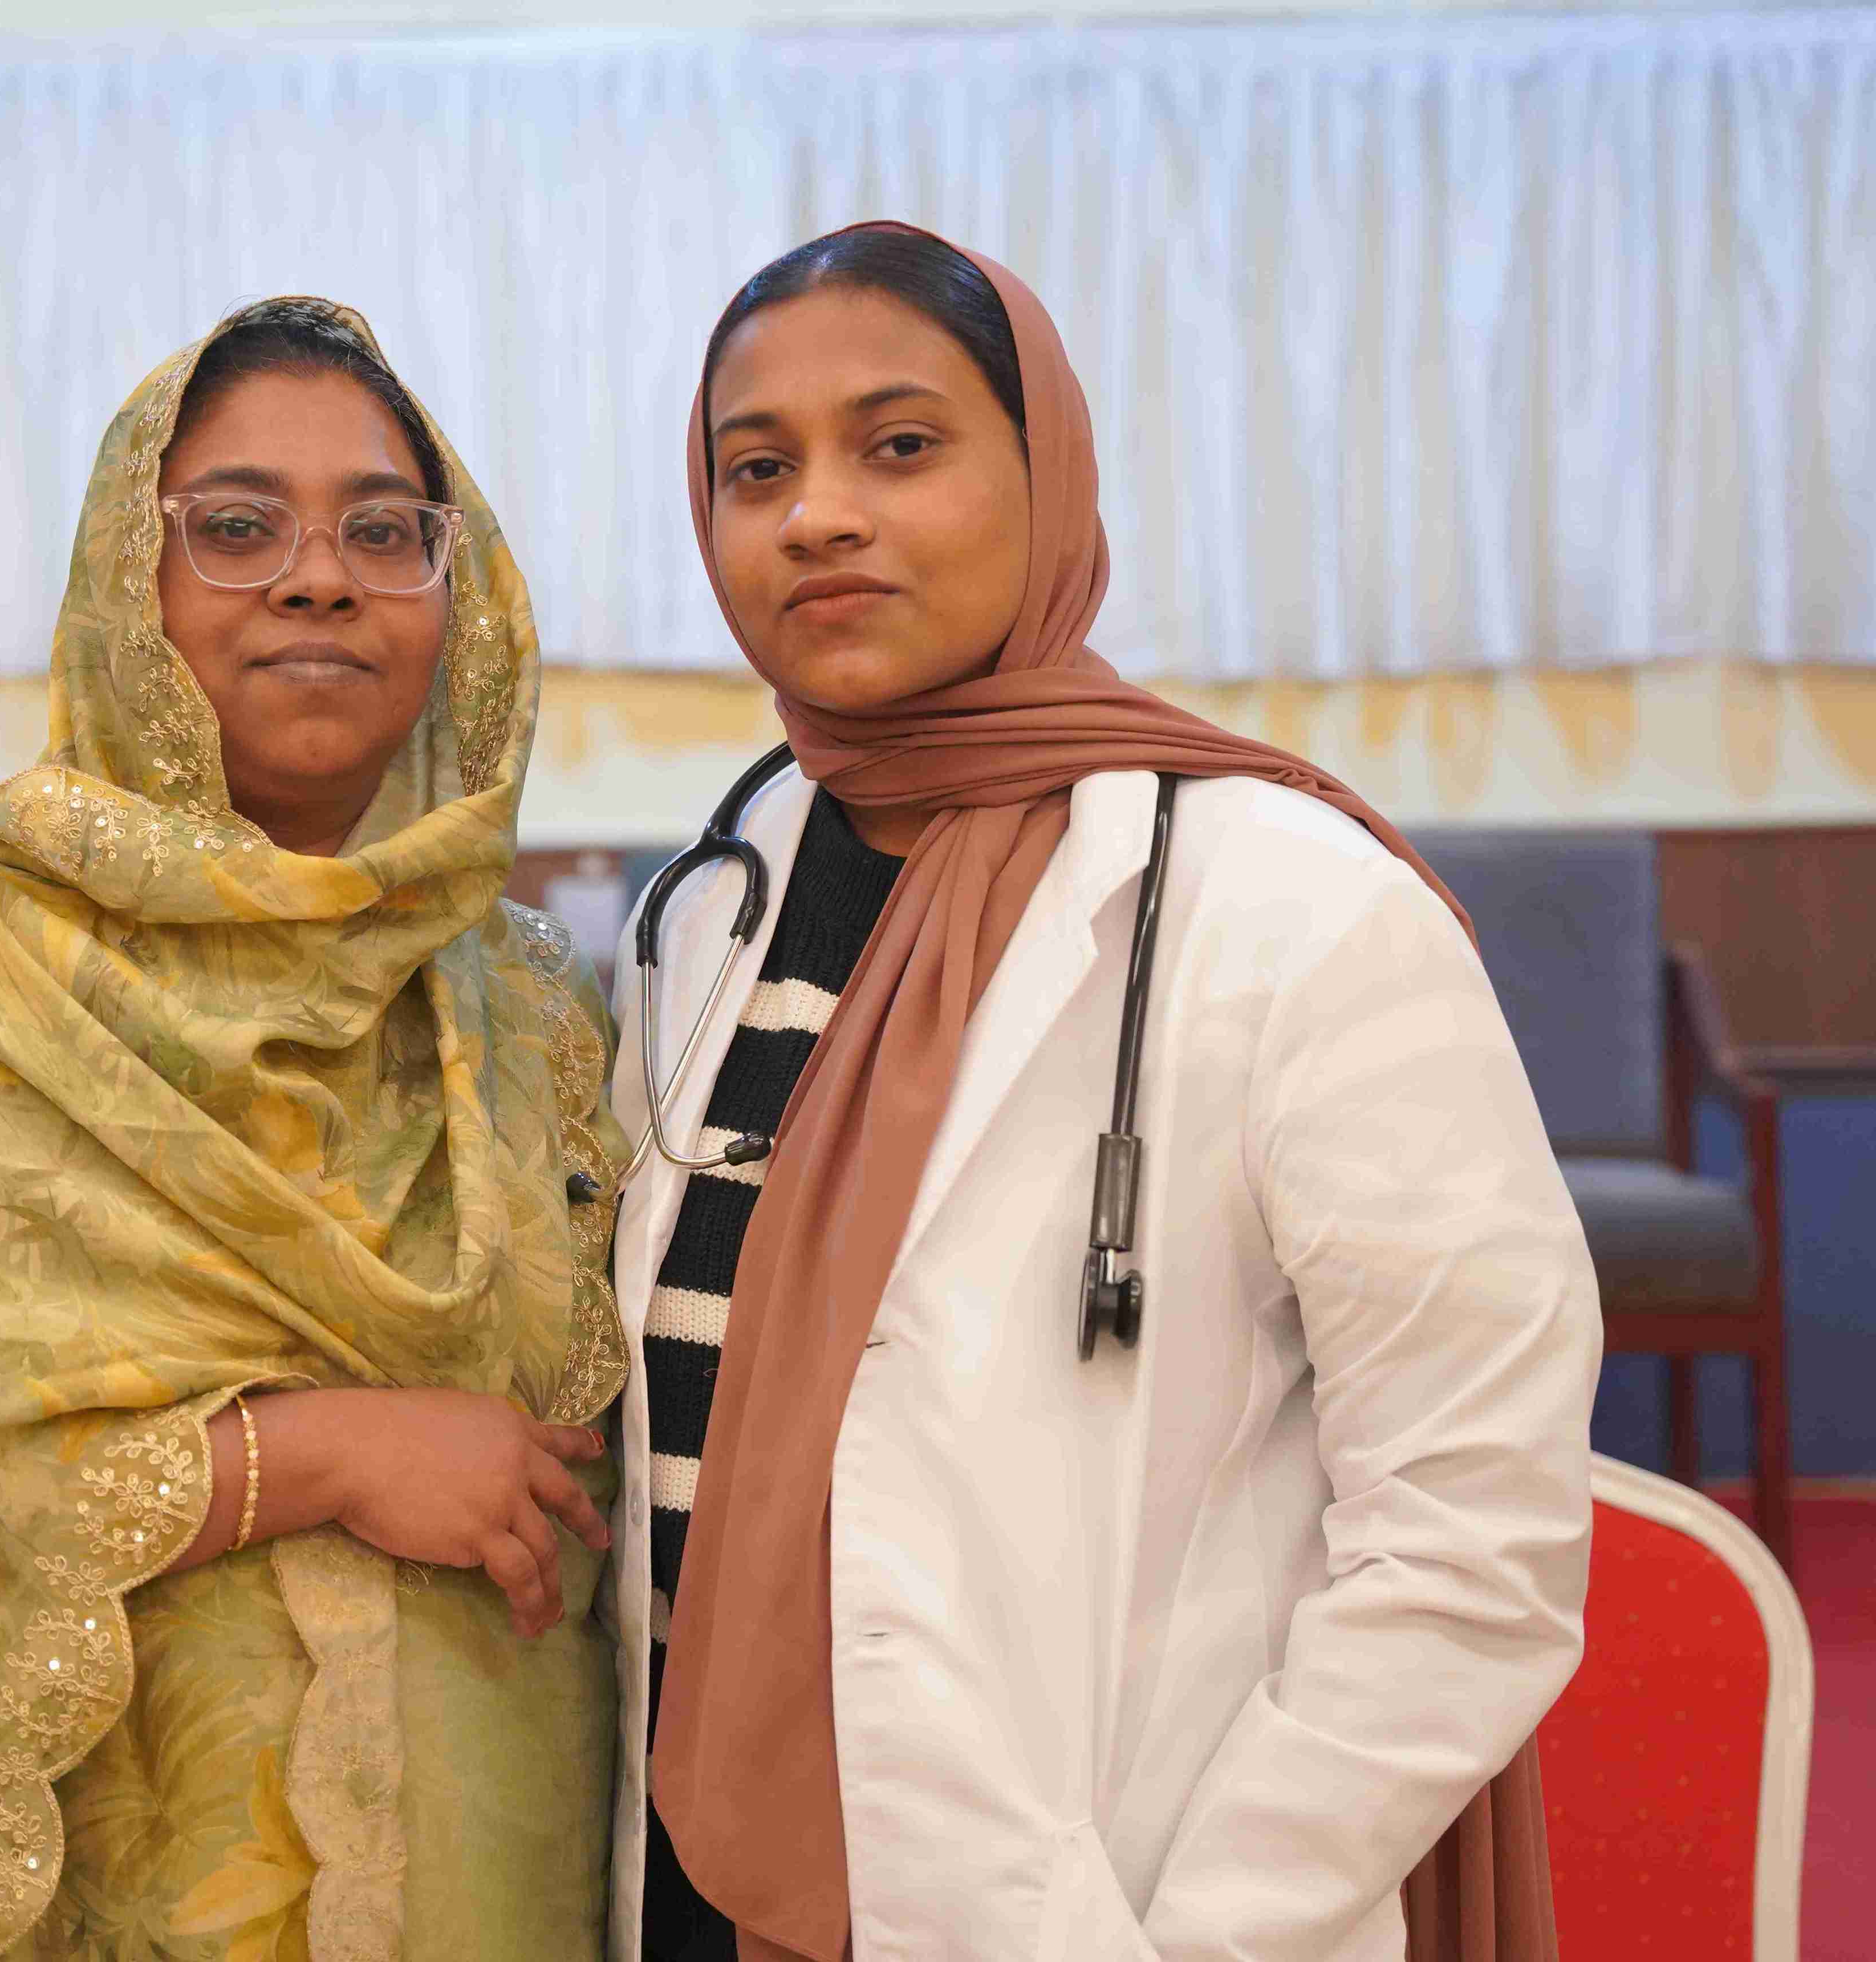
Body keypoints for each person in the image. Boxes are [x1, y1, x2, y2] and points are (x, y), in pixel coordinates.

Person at [609, 223, 1601, 1962]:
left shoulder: (1293, 908)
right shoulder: (706, 910)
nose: (818, 514)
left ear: (1046, 472)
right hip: (693, 1882)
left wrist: (1207, 1933)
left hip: (1113, 1909)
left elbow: (1476, 1531)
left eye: (898, 446)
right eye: (756, 469)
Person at [0, 297, 629, 1960]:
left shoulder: (518, 999)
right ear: (123, 586)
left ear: (465, 599)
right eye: (235, 527)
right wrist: (318, 1455)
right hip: (103, 1882)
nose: (319, 578)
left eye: (386, 532)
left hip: (493, 1846)